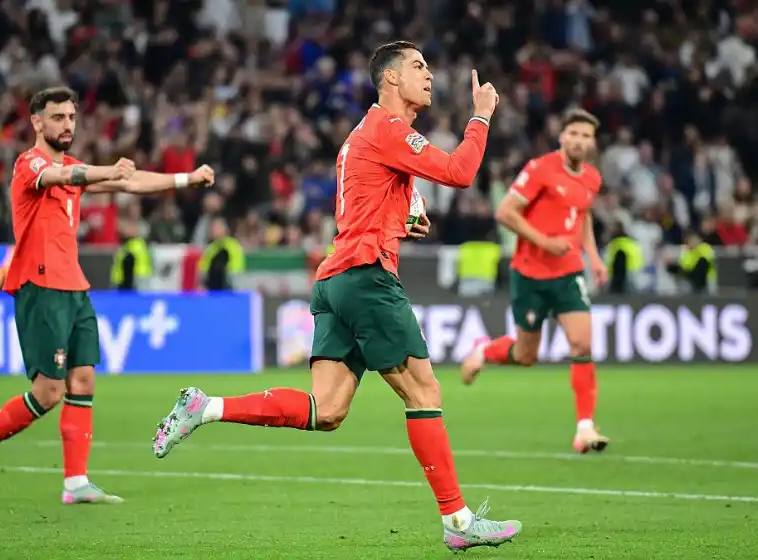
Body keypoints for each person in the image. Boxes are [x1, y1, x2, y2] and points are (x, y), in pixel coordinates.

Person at [151, 41, 522, 551]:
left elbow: (367, 199)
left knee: (326, 410)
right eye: (418, 66)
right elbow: (460, 172)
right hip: (367, 277)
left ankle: (205, 406)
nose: (429, 75)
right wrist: (480, 117)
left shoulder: (362, 135)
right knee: (424, 394)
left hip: (337, 279)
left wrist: (402, 216)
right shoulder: (389, 128)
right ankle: (458, 523)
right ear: (390, 79)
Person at [0, 86, 215, 505]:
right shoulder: (29, 164)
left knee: (84, 379)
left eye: (71, 117)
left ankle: (75, 483)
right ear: (37, 122)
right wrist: (108, 169)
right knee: (48, 392)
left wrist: (187, 178)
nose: (67, 125)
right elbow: (62, 176)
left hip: (74, 287)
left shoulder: (76, 167)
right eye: (58, 117)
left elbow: (130, 182)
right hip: (40, 287)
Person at [461, 108, 610, 454]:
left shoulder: (591, 178)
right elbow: (505, 212)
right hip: (530, 274)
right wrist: (545, 242)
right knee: (526, 355)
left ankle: (584, 428)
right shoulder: (540, 169)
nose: (579, 141)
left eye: (586, 136)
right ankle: (485, 350)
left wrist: (594, 256)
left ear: (592, 142)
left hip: (569, 273)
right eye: (574, 134)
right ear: (562, 137)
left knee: (582, 345)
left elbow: (583, 215)